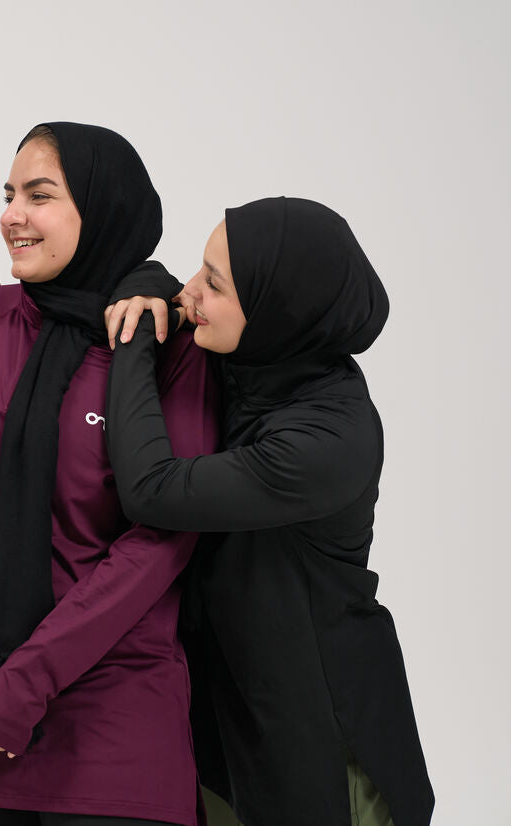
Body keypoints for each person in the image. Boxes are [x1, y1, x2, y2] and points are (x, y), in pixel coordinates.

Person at [0, 122, 220, 826]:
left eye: (39, 195)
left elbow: (163, 537)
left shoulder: (165, 346)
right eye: (7, 195)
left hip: (108, 719)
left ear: (102, 208)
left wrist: (24, 684)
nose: (12, 215)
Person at [103, 197, 434, 826]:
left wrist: (133, 340)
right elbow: (155, 279)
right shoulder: (252, 359)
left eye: (215, 283)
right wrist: (145, 285)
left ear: (277, 307)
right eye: (200, 270)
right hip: (227, 718)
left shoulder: (329, 438)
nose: (191, 292)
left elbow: (151, 489)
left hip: (322, 729)